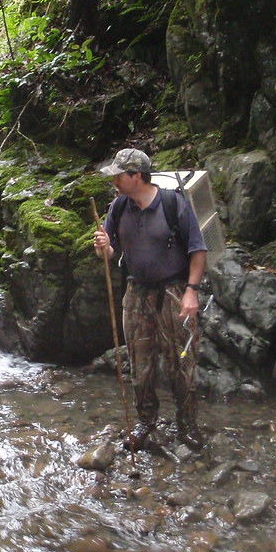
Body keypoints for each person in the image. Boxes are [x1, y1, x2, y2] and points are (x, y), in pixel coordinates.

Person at [92, 148, 208, 450]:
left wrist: (192, 292)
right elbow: (110, 254)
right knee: (139, 361)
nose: (114, 181)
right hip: (137, 292)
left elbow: (198, 250)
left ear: (137, 176)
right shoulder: (118, 207)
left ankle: (187, 424)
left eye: (119, 175)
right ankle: (145, 421)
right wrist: (103, 247)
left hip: (174, 292)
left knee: (181, 362)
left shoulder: (173, 205)